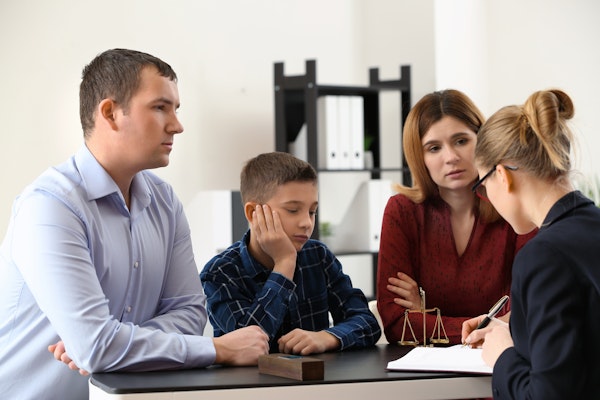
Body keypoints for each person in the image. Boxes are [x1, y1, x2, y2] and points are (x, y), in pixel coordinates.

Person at [0, 48, 268, 400]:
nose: (177, 125)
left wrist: (113, 345)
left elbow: (189, 313)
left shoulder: (165, 202)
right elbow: (96, 346)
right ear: (110, 113)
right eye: (160, 107)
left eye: (176, 109)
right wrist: (220, 350)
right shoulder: (50, 207)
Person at [461, 89, 600, 398]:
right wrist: (516, 331)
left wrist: (502, 357)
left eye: (482, 185)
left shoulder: (542, 255)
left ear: (501, 176)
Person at [376, 89, 535, 345]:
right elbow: (398, 325)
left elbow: (527, 314)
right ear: (420, 157)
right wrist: (486, 328)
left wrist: (427, 317)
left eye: (461, 141)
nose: (451, 157)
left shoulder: (515, 207)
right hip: (423, 373)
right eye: (434, 148)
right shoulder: (402, 211)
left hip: (505, 363)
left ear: (482, 141)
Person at [200, 151, 381, 355]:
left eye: (312, 211)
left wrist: (326, 337)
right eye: (293, 210)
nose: (306, 223)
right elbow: (248, 345)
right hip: (251, 386)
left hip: (318, 384)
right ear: (253, 213)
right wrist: (284, 264)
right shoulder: (219, 273)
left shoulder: (318, 256)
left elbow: (367, 322)